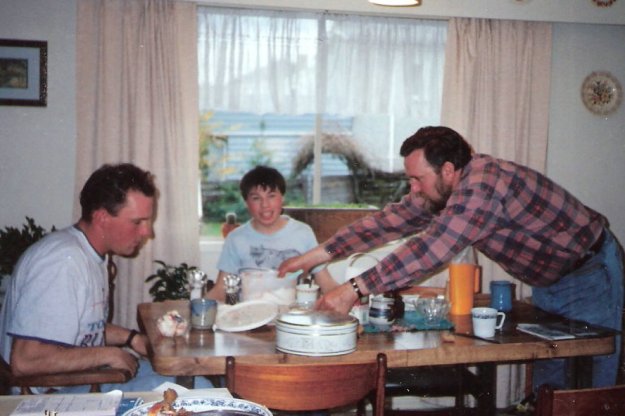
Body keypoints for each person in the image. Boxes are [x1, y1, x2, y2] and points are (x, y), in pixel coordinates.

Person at [278, 126, 624, 390]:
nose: (413, 188)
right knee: (552, 381)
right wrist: (318, 254)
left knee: (592, 386)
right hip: (552, 281)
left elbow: (431, 248)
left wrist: (353, 288)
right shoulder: (448, 187)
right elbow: (390, 221)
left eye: (417, 179)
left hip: (590, 273)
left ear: (447, 170)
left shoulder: (483, 186)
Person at [0, 163, 212, 393]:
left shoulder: (89, 254)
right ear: (102, 218)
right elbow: (26, 361)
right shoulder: (62, 263)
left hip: (81, 377)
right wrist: (108, 354)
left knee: (191, 379)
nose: (147, 232)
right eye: (137, 222)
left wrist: (132, 339)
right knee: (192, 391)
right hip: (52, 395)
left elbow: (79, 327)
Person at [206, 165, 338, 303]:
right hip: (249, 313)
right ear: (246, 203)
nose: (265, 205)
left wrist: (349, 296)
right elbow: (220, 290)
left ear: (282, 198)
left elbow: (326, 283)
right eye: (256, 198)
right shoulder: (235, 238)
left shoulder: (303, 233)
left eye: (271, 196)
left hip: (291, 314)